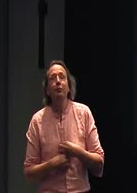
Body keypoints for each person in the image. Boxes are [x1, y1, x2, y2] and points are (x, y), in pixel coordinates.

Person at [23, 60, 105, 193]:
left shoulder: (84, 113)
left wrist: (78, 152)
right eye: (52, 78)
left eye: (62, 77)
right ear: (47, 90)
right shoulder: (37, 120)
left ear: (68, 87)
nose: (58, 81)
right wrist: (51, 165)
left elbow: (99, 163)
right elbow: (29, 173)